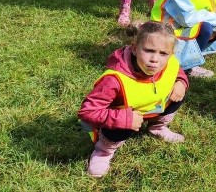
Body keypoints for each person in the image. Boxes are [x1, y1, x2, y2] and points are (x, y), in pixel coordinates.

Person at [78, 22, 188, 178]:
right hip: (123, 117)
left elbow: (178, 72)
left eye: (163, 53)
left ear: (171, 54)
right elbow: (87, 111)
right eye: (149, 51)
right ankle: (103, 150)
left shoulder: (170, 63)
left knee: (177, 94)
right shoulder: (114, 79)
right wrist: (123, 119)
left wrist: (181, 82)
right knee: (124, 120)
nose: (155, 59)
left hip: (152, 108)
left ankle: (157, 127)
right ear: (135, 49)